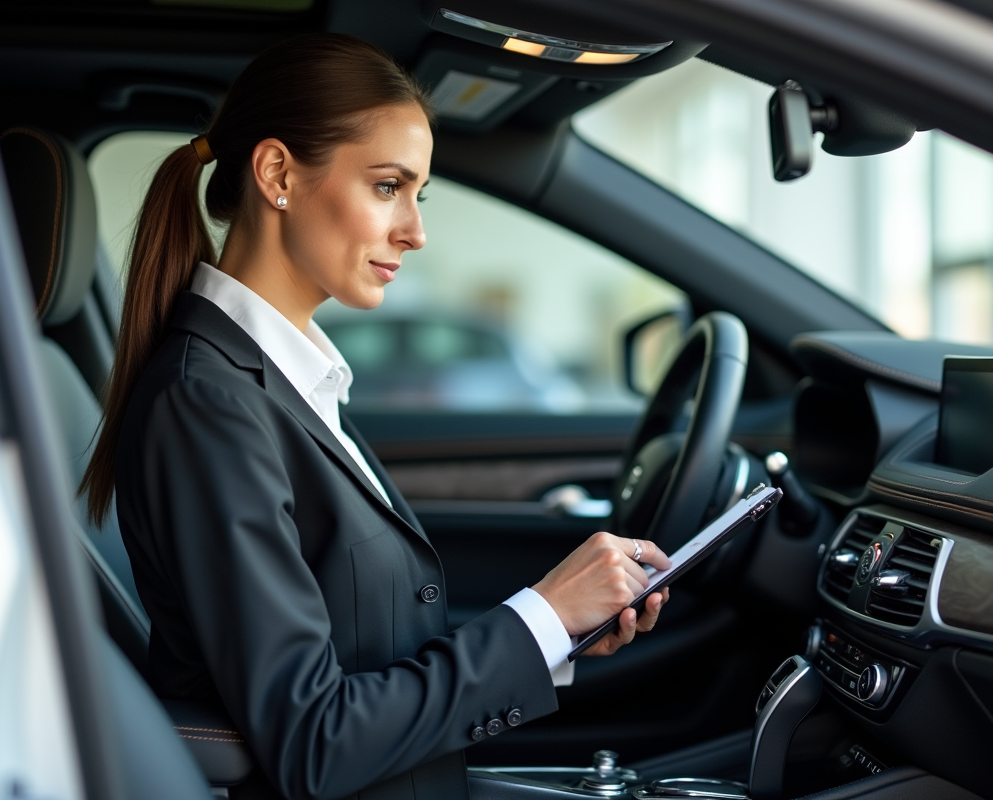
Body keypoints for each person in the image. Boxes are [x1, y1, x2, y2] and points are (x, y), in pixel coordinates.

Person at [80, 33, 671, 800]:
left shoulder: (292, 381)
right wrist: (539, 618)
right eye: (388, 186)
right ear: (277, 174)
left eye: (418, 195)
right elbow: (314, 740)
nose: (416, 231)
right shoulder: (207, 402)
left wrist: (560, 625)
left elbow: (363, 639)